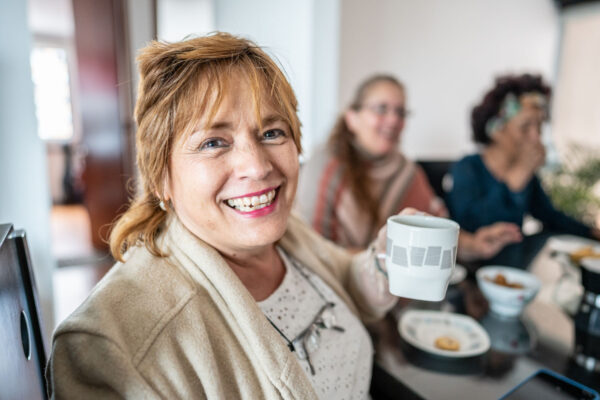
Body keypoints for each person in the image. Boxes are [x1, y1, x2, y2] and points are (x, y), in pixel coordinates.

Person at [46, 33, 400, 399]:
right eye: (214, 142)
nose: (258, 166)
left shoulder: (286, 233)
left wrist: (385, 262)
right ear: (160, 178)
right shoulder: (108, 349)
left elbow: (344, 278)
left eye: (272, 132)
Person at [296, 74, 522, 261]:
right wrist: (384, 260)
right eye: (381, 109)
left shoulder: (406, 171)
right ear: (352, 118)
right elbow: (314, 250)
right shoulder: (325, 166)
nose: (394, 120)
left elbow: (437, 230)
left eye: (400, 112)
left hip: (396, 294)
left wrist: (476, 244)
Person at [446, 74, 600, 240]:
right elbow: (466, 226)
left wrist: (592, 232)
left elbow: (550, 216)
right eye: (525, 126)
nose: (536, 136)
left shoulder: (528, 175)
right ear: (496, 130)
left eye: (539, 126)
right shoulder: (468, 167)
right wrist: (517, 176)